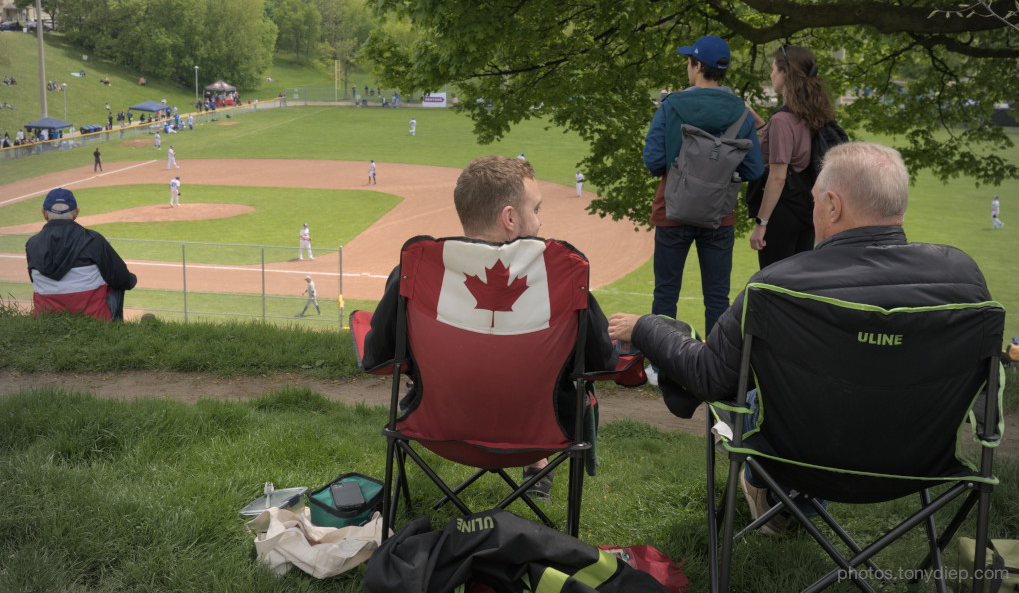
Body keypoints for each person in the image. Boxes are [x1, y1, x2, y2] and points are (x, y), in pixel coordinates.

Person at [608, 142, 994, 534]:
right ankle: (789, 507)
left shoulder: (778, 287)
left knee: (763, 394)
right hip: (920, 463)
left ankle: (778, 500)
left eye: (813, 202)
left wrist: (647, 327)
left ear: (832, 205)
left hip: (799, 460)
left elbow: (710, 376)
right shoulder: (964, 279)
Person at [363, 155, 619, 501]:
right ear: (510, 218)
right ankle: (538, 467)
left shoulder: (418, 271)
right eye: (537, 210)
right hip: (541, 435)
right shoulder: (561, 280)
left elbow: (377, 357)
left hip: (438, 430)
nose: (540, 222)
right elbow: (602, 362)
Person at [642, 35, 764, 337]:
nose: (687, 67)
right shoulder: (740, 111)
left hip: (672, 211)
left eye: (689, 62)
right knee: (717, 298)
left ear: (698, 66)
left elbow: (653, 160)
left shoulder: (672, 105)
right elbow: (754, 168)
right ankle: (715, 369)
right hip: (719, 215)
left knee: (666, 294)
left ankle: (662, 366)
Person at [747, 45, 837, 268]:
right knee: (797, 284)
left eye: (774, 69)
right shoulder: (812, 115)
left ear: (786, 73)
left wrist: (761, 223)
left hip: (781, 214)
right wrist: (762, 126)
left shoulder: (782, 120)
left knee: (774, 285)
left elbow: (778, 177)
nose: (771, 75)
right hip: (806, 212)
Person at [25, 188, 137, 321]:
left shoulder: (32, 245)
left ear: (44, 213)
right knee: (117, 282)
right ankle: (114, 334)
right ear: (76, 213)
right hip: (92, 319)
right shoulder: (93, 240)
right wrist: (131, 279)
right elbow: (123, 279)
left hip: (46, 319)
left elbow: (34, 280)